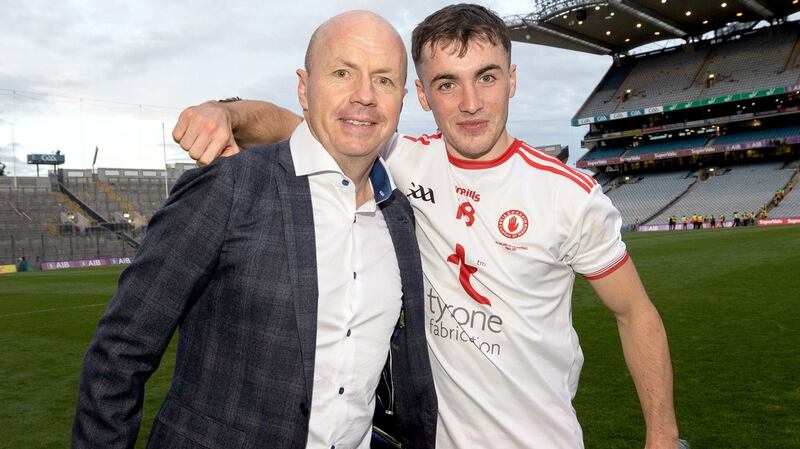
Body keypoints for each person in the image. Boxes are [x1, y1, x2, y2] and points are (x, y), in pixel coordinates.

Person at [173, 4, 678, 448]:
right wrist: (225, 112)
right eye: (446, 84)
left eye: (487, 76)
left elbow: (635, 313)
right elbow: (289, 124)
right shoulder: (399, 159)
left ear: (513, 79)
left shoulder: (570, 194)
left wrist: (662, 436)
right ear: (421, 94)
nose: (471, 103)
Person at [73, 11, 437, 449]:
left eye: (383, 80)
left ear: (401, 97)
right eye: (342, 73)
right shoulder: (229, 185)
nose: (364, 96)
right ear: (305, 88)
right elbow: (118, 354)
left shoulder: (399, 216)